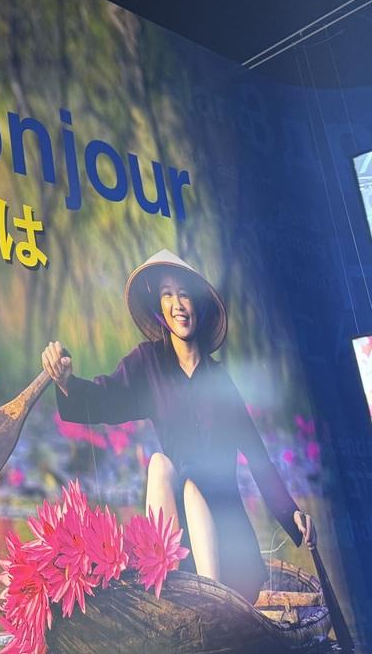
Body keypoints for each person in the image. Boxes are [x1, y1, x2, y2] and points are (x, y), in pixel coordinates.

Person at [39, 249, 313, 601]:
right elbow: (104, 398)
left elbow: (259, 461)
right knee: (159, 464)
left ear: (198, 304)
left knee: (194, 485)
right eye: (167, 295)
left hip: (226, 536)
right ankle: (167, 583)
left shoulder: (220, 381)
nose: (178, 304)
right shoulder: (148, 362)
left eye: (184, 294)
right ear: (160, 307)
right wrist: (66, 382)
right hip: (180, 534)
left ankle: (213, 602)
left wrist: (293, 515)